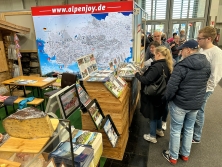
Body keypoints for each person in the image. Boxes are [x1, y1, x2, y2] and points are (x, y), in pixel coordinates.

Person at [162, 40, 211, 165]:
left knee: (176, 130)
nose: (180, 52)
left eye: (182, 49)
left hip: (180, 104)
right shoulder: (206, 63)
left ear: (188, 50)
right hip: (195, 104)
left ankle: (173, 156)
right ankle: (185, 154)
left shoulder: (181, 66)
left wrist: (166, 100)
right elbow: (204, 83)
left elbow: (171, 88)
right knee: (189, 129)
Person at [134, 46, 173, 144]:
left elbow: (147, 80)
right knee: (159, 114)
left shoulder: (157, 66)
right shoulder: (167, 64)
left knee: (153, 115)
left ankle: (152, 136)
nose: (154, 56)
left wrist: (137, 74)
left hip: (153, 95)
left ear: (159, 54)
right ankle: (159, 130)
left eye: (155, 54)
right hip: (162, 94)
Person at [193, 26, 222, 143]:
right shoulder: (201, 50)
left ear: (209, 39)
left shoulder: (217, 53)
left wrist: (206, 89)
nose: (198, 40)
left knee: (199, 111)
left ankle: (196, 136)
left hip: (204, 89)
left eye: (200, 38)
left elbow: (216, 75)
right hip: (196, 86)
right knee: (194, 110)